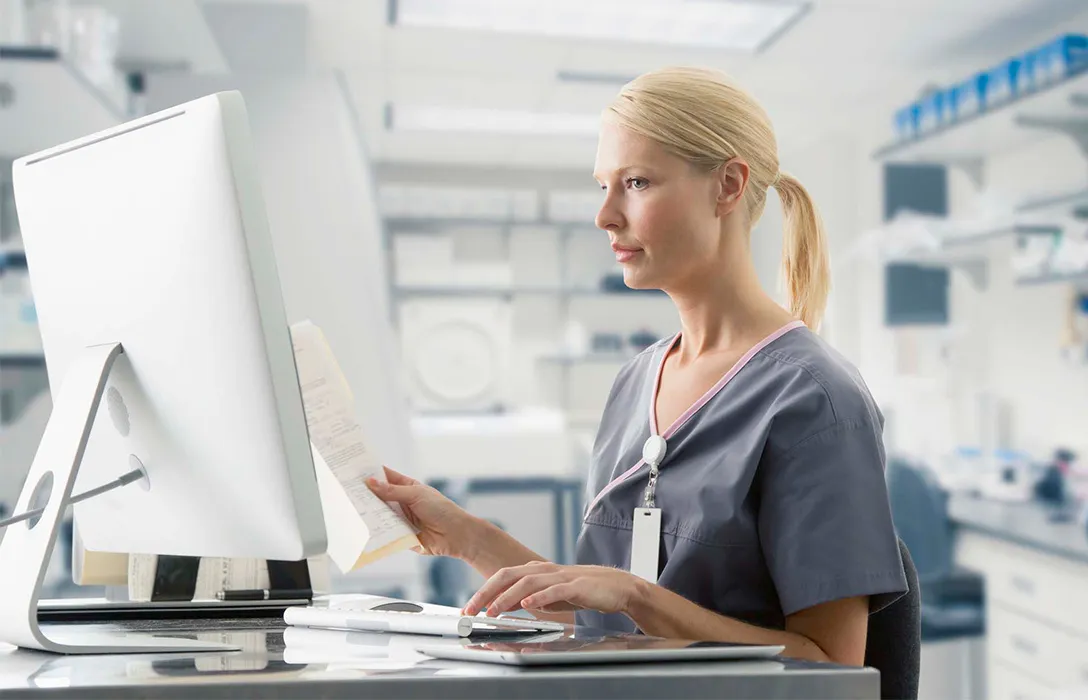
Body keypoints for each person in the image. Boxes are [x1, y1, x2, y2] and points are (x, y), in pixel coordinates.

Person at [367, 66, 907, 667]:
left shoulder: (813, 400)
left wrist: (637, 595)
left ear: (727, 186)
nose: (605, 216)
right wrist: (466, 535)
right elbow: (603, 623)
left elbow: (831, 667)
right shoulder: (635, 382)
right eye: (604, 185)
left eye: (637, 182)